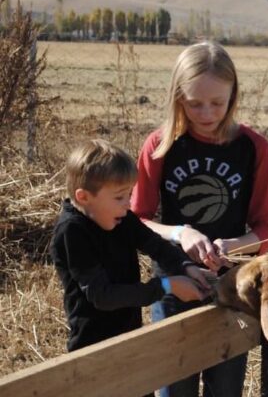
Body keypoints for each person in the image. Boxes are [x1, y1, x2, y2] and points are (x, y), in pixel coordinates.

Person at [131, 41, 268, 397]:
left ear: (233, 95)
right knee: (173, 388)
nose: (207, 112)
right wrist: (180, 233)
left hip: (231, 290)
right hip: (173, 285)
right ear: (177, 96)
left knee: (225, 389)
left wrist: (235, 245)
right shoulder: (160, 146)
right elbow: (136, 221)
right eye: (195, 103)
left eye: (218, 102)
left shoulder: (253, 147)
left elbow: (267, 230)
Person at [51, 139, 212, 356]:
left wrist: (185, 266)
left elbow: (156, 245)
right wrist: (166, 286)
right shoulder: (73, 232)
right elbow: (103, 296)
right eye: (119, 197)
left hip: (130, 336)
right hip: (93, 347)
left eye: (129, 194)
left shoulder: (121, 216)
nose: (128, 204)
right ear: (84, 197)